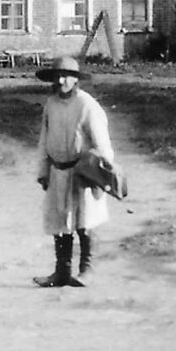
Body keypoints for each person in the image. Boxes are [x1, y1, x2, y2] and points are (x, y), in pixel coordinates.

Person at [33, 58, 116, 288]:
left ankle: (87, 270)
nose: (62, 81)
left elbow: (103, 144)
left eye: (67, 76)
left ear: (76, 79)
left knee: (84, 222)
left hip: (82, 174)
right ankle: (62, 272)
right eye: (57, 76)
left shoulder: (86, 105)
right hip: (58, 171)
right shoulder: (51, 105)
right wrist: (43, 170)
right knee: (60, 223)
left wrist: (101, 174)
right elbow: (44, 139)